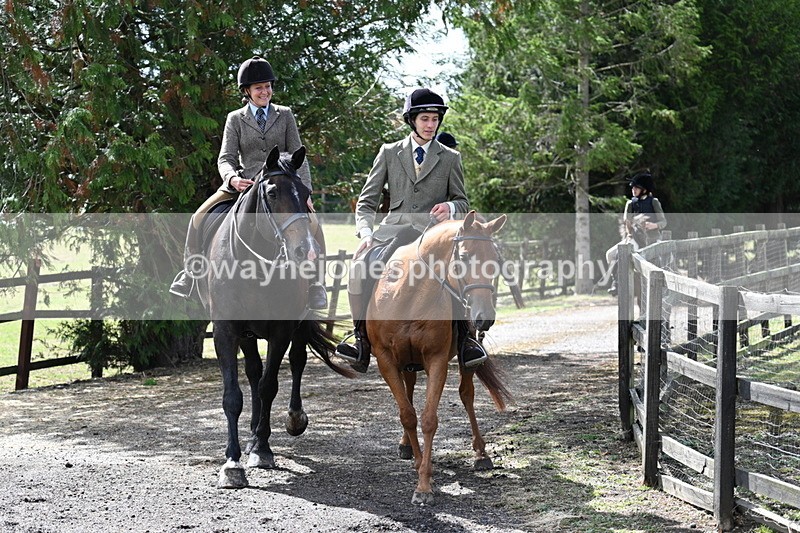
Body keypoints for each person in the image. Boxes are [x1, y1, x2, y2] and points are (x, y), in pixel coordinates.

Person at [335, 88, 487, 372]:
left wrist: (450, 209)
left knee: (458, 273)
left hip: (432, 237)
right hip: (393, 232)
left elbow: (463, 201)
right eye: (425, 119)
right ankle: (360, 339)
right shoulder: (389, 153)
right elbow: (366, 202)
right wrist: (366, 234)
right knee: (358, 268)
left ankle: (466, 340)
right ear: (412, 121)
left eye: (435, 120)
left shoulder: (450, 157)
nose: (431, 125)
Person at [169, 56, 328, 310]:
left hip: (280, 187)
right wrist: (232, 178)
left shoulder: (285, 115)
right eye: (258, 88)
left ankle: (317, 284)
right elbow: (225, 158)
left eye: (267, 86)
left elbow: (300, 156)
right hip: (245, 186)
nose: (264, 92)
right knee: (197, 217)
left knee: (314, 224)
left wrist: (305, 192)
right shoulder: (235, 119)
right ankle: (189, 273)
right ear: (247, 92)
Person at [605, 171, 667, 295]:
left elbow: (663, 221)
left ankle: (664, 286)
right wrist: (629, 234)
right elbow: (627, 222)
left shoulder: (654, 202)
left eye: (636, 187)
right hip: (635, 237)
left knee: (661, 258)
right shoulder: (630, 204)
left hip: (652, 238)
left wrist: (654, 225)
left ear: (644, 189)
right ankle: (616, 283)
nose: (633, 189)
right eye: (633, 187)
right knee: (610, 254)